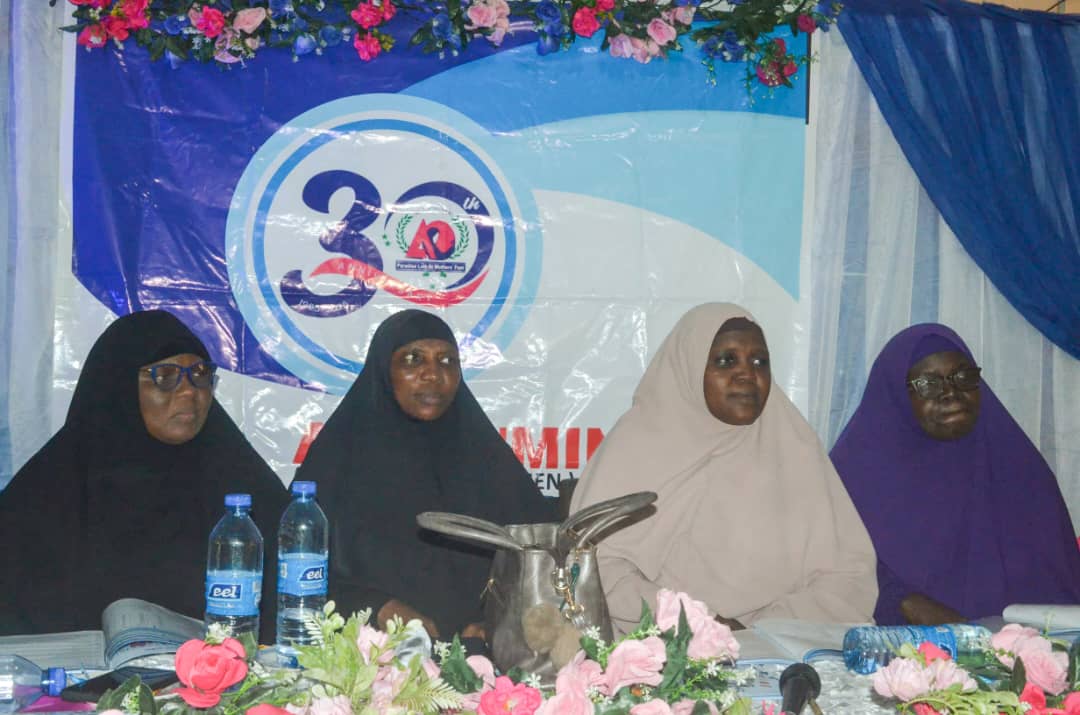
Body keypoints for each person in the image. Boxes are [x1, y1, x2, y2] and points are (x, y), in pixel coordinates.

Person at [570, 303, 877, 634]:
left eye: (759, 362)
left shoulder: (794, 446)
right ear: (689, 367)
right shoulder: (635, 448)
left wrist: (762, 630)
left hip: (781, 645)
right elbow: (594, 570)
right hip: (660, 647)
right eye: (726, 361)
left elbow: (849, 577)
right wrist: (699, 623)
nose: (747, 374)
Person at [0, 310, 288, 639]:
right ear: (117, 385)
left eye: (199, 374)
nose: (189, 391)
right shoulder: (45, 498)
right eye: (165, 376)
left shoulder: (242, 489)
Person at [294, 309, 553, 641]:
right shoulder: (338, 460)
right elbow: (293, 572)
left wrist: (501, 622)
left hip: (484, 658)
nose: (433, 374)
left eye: (447, 361)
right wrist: (375, 607)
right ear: (384, 371)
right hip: (367, 654)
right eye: (413, 359)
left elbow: (544, 562)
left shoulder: (486, 459)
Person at [831, 323, 1080, 625]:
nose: (951, 393)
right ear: (896, 393)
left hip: (1025, 646)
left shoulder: (1020, 468)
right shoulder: (854, 474)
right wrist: (903, 603)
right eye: (929, 383)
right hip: (897, 646)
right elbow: (835, 569)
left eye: (963, 377)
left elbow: (1060, 585)